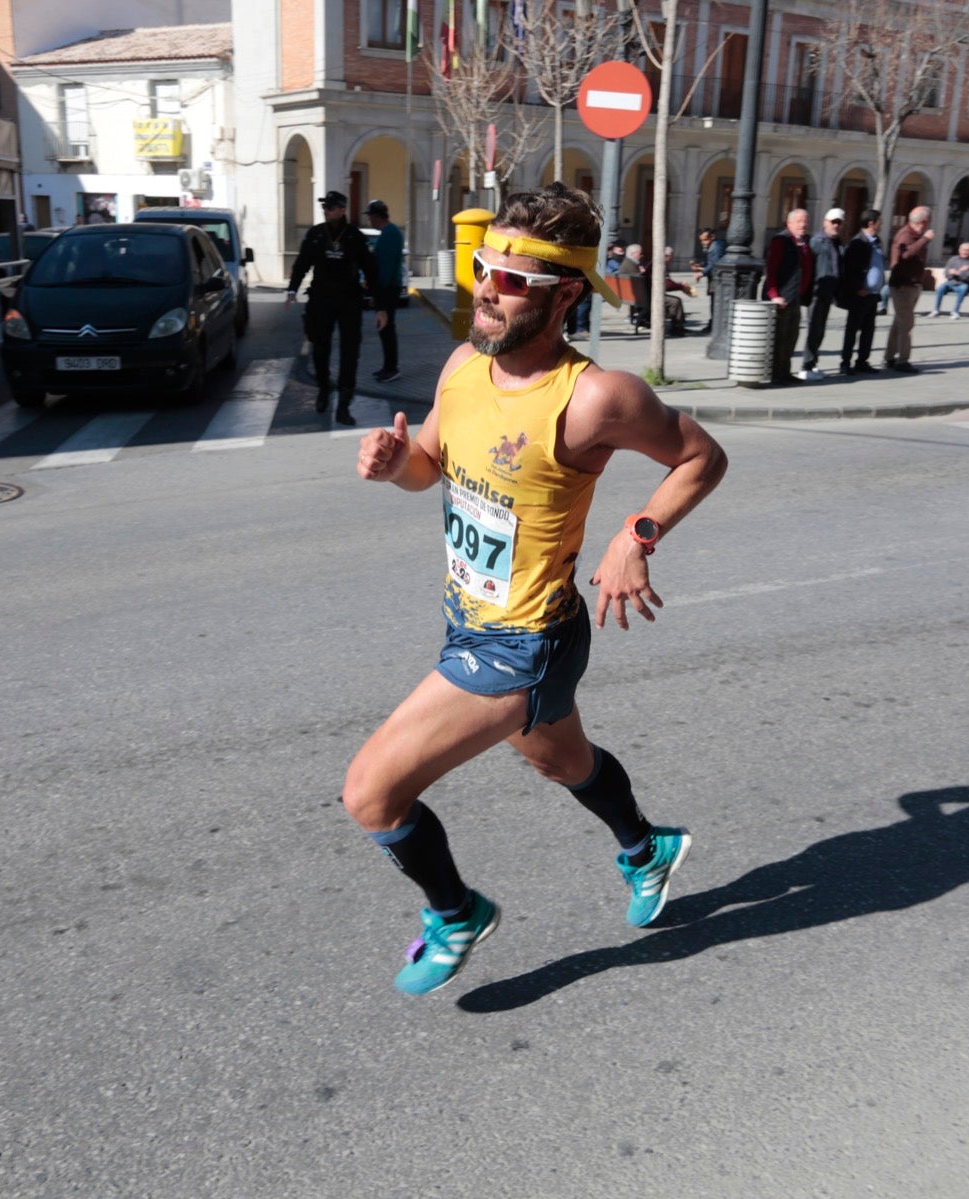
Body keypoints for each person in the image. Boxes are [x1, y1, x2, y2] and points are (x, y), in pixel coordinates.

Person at [347, 181, 728, 996]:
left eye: (514, 279)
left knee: (373, 792)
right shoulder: (462, 364)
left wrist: (637, 534)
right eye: (486, 266)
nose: (487, 286)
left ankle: (456, 913)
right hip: (470, 618)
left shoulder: (597, 398)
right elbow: (432, 468)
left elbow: (702, 457)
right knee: (561, 761)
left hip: (524, 640)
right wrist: (396, 467)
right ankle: (646, 847)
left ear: (564, 295)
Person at [287, 190, 379, 426]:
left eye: (330, 207)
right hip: (321, 300)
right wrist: (291, 290)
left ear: (341, 209)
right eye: (325, 207)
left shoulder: (354, 236)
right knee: (320, 349)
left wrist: (380, 305)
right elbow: (302, 264)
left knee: (350, 354)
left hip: (349, 301)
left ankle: (343, 407)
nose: (326, 210)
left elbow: (370, 269)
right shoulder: (316, 234)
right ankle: (324, 389)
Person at [762, 207, 815, 385]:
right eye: (799, 221)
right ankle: (775, 374)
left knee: (791, 337)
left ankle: (785, 372)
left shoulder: (803, 242)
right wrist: (774, 294)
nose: (804, 225)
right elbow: (772, 269)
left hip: (795, 297)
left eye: (805, 221)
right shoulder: (781, 240)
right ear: (789, 223)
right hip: (781, 299)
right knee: (779, 338)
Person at [886, 205, 935, 372]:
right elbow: (905, 255)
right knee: (907, 323)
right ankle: (903, 361)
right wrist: (925, 240)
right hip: (902, 286)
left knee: (899, 323)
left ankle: (890, 357)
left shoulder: (915, 234)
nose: (928, 227)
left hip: (912, 285)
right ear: (923, 222)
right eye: (927, 223)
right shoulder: (905, 235)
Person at [837, 208, 885, 376]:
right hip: (860, 295)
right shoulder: (858, 242)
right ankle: (845, 362)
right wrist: (858, 288)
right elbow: (848, 268)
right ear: (871, 223)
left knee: (868, 330)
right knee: (853, 329)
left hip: (873, 294)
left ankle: (862, 361)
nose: (882, 224)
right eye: (880, 221)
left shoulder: (877, 241)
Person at [800, 208, 845, 381]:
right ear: (825, 222)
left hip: (828, 292)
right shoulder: (817, 241)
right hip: (817, 292)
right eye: (833, 221)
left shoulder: (836, 242)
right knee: (814, 329)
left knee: (820, 330)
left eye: (839, 222)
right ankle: (806, 366)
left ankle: (813, 364)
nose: (836, 225)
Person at [365, 199, 403, 382]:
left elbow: (385, 270)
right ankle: (387, 366)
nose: (369, 220)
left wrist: (378, 296)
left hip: (387, 289)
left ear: (376, 216)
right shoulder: (389, 232)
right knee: (385, 329)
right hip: (388, 288)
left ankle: (391, 368)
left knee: (386, 328)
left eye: (370, 216)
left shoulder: (389, 234)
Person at [929, 242, 969, 318]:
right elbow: (946, 273)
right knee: (941, 288)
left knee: (963, 288)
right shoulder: (953, 259)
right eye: (963, 250)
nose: (965, 252)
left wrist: (958, 273)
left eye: (968, 250)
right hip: (951, 282)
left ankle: (955, 311)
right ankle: (936, 310)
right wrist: (960, 271)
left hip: (964, 283)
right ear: (959, 250)